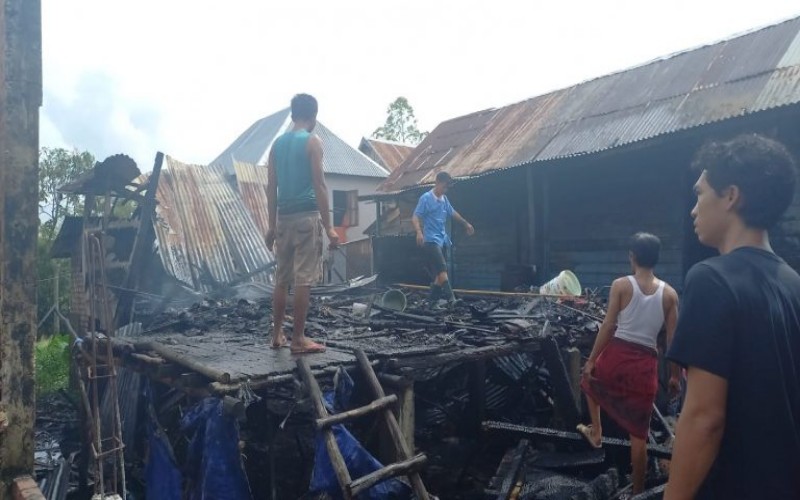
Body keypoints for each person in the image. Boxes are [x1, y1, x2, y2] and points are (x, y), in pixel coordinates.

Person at [665, 134, 800, 499]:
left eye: (700, 193)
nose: (693, 209)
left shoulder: (711, 278)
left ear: (730, 196)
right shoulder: (794, 285)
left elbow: (704, 419)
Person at [578, 232, 680, 496]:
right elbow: (672, 341)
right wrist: (674, 377)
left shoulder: (621, 285)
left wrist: (590, 361)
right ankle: (637, 491)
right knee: (639, 434)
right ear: (656, 259)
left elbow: (609, 325)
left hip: (616, 357)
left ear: (632, 257)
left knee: (588, 382)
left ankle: (597, 431)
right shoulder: (670, 295)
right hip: (645, 366)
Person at [265, 94, 339, 354]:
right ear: (314, 116)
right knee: (303, 279)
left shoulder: (277, 145)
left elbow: (271, 186)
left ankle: (276, 336)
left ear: (292, 114)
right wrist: (329, 227)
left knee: (281, 279)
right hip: (307, 218)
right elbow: (319, 185)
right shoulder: (312, 142)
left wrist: (271, 226)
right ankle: (298, 339)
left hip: (283, 220)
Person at [411, 171, 475, 306]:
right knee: (442, 269)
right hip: (430, 240)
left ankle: (431, 302)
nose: (445, 190)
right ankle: (452, 299)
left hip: (442, 239)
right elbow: (416, 216)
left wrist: (466, 223)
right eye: (444, 186)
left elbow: (452, 212)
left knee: (440, 276)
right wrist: (418, 232)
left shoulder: (444, 199)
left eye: (447, 188)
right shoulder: (426, 198)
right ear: (437, 183)